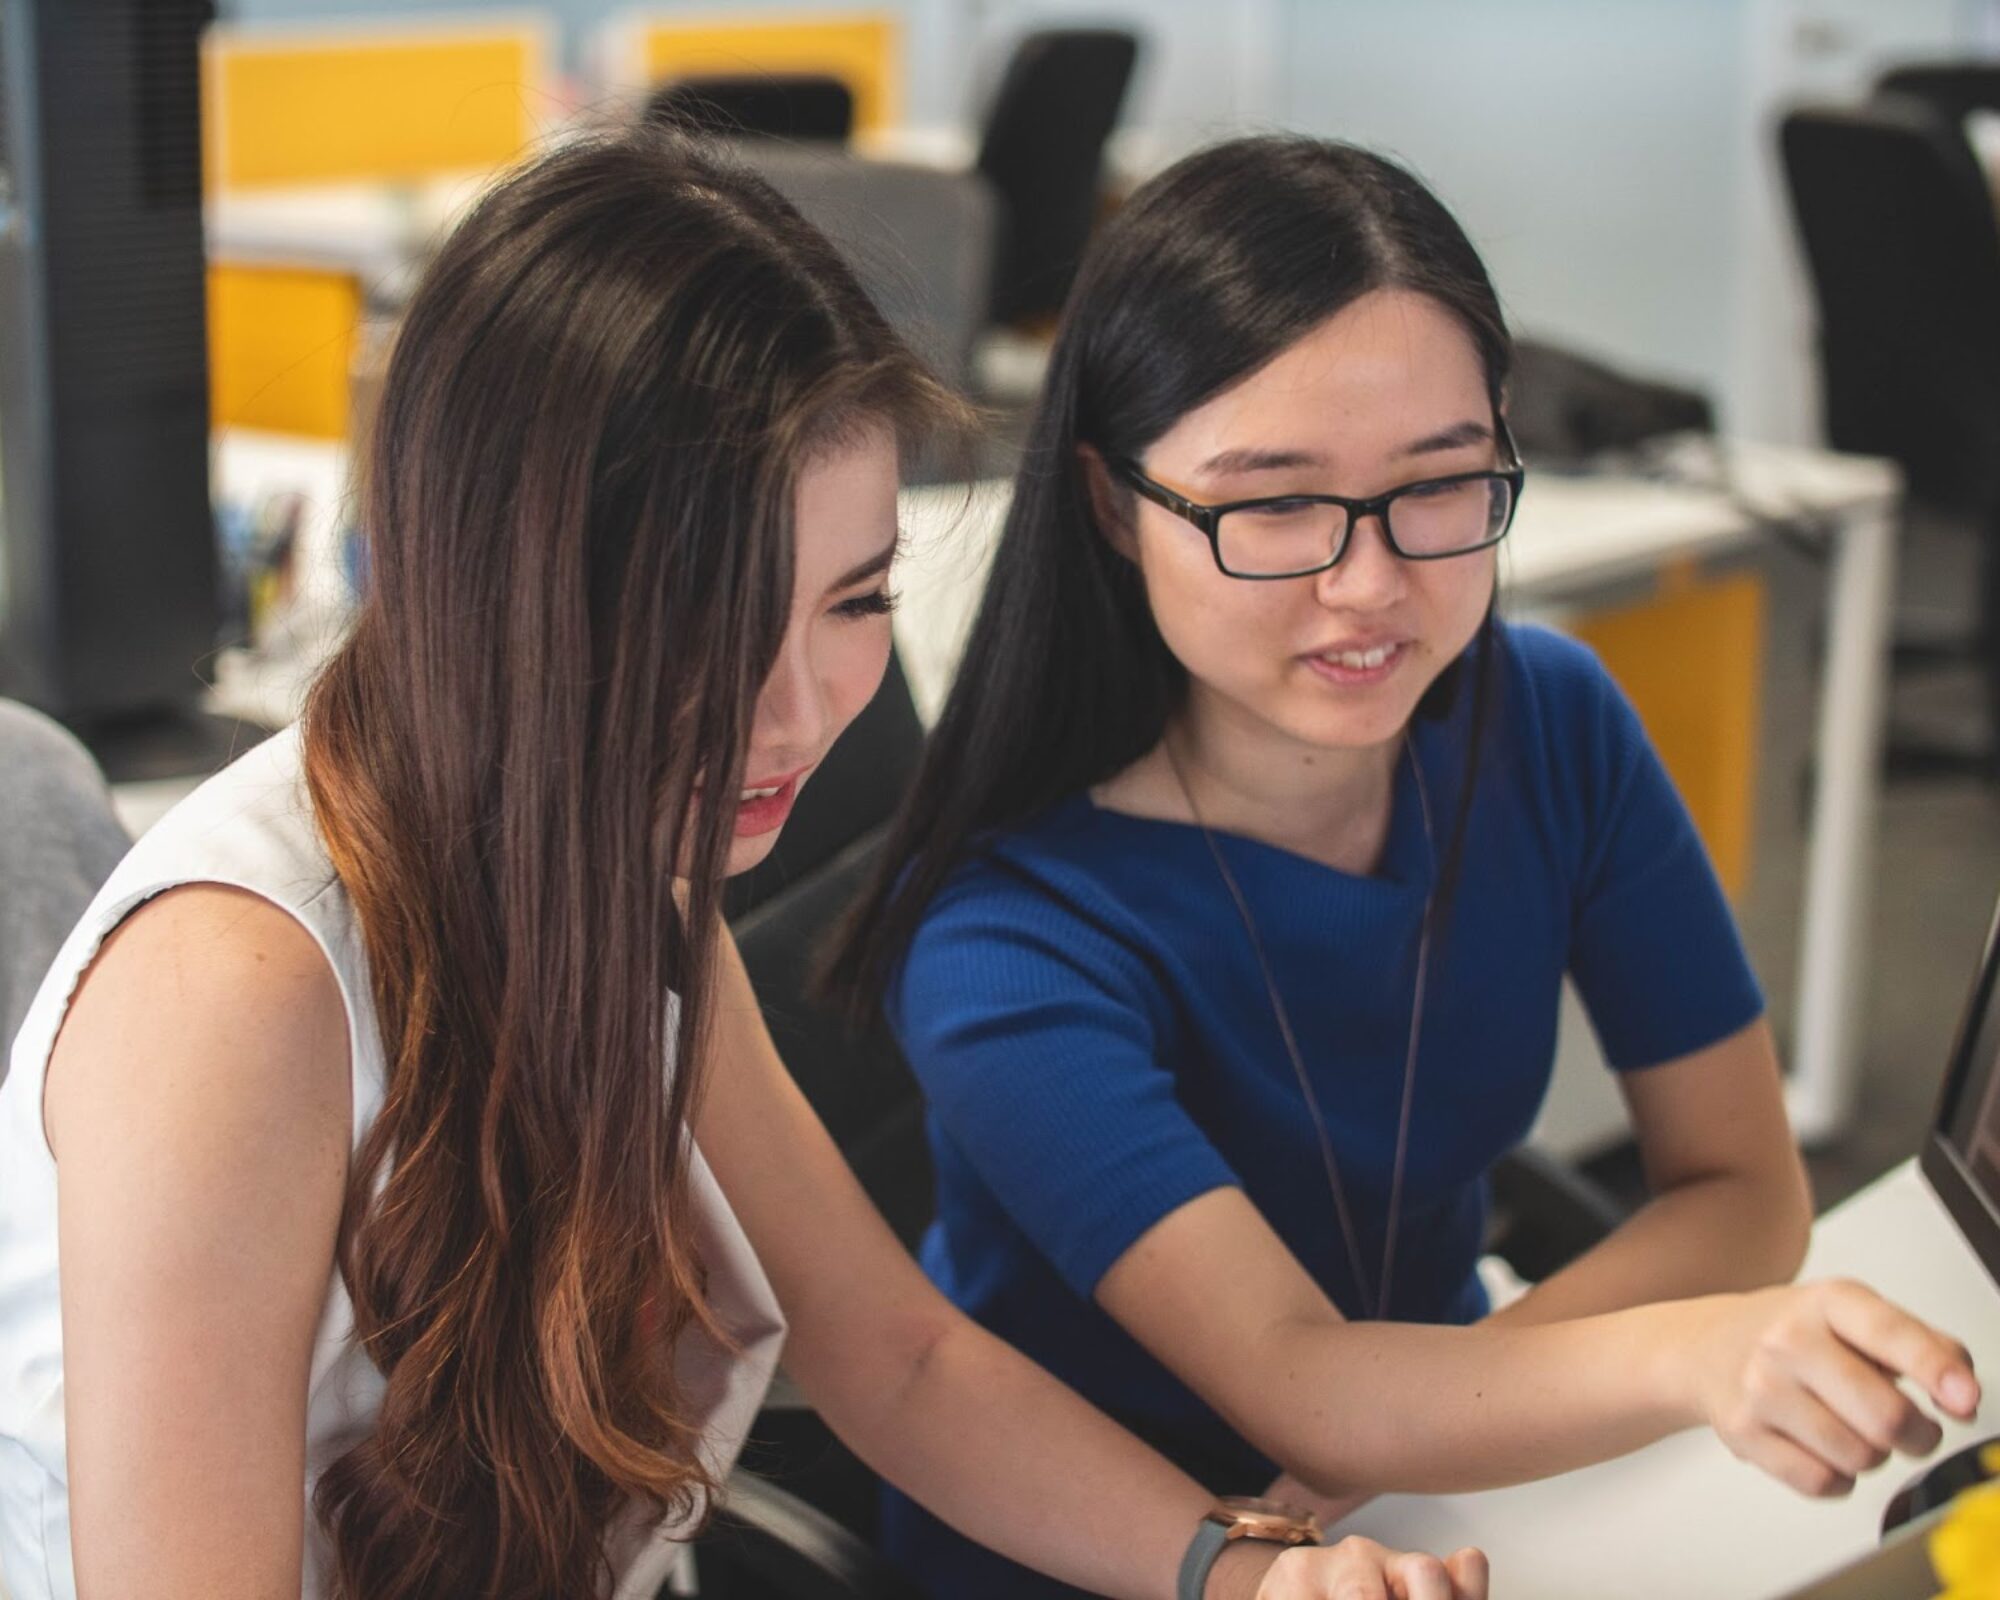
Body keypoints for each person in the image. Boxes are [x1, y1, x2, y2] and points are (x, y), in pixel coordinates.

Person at [0, 131, 1491, 1600]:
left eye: (852, 604)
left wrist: (1245, 1577)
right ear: (508, 589)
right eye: (707, 626)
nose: (791, 716)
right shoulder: (239, 992)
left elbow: (895, 1360)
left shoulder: (614, 852)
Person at [825, 134, 1982, 1598]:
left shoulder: (1548, 720)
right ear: (1115, 505)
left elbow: (1747, 1188)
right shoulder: (1010, 936)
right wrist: (1673, 1353)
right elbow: (1295, 1385)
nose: (1369, 585)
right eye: (1276, 504)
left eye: (1440, 484)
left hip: (1449, 1482)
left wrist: (1440, 1415)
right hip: (1128, 1555)